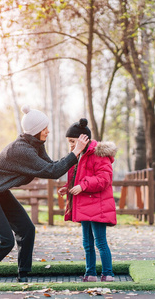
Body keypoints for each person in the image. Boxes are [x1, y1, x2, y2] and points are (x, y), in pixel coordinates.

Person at [0, 105, 89, 283]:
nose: (48, 131)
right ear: (35, 130)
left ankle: (23, 275)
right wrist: (75, 152)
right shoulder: (22, 150)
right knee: (4, 241)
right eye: (45, 128)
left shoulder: (35, 145)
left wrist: (76, 155)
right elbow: (52, 171)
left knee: (27, 229)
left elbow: (53, 166)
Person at [58, 118, 118, 282]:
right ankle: (90, 273)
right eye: (69, 141)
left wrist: (83, 186)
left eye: (72, 141)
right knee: (87, 243)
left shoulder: (99, 155)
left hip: (97, 206)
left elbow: (104, 179)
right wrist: (68, 187)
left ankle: (108, 273)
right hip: (84, 206)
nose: (70, 144)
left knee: (100, 242)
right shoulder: (78, 156)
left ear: (83, 139)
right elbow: (77, 177)